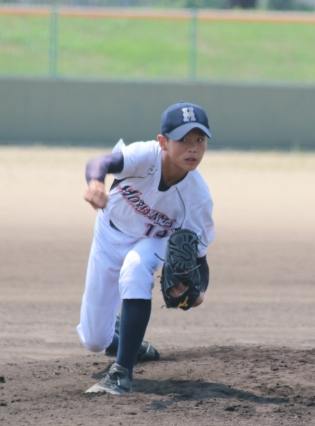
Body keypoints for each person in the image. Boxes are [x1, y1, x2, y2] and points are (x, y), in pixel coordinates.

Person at [76, 102, 215, 395]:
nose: (193, 148)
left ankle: (121, 373)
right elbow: (100, 163)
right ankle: (129, 340)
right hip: (109, 235)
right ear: (163, 142)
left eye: (199, 139)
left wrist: (198, 293)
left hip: (153, 241)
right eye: (183, 139)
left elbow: (200, 259)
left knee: (136, 268)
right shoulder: (145, 157)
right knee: (94, 340)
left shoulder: (198, 198)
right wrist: (96, 184)